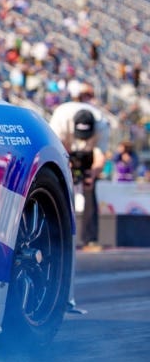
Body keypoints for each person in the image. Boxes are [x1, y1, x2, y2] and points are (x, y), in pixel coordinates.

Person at [50, 84, 111, 250]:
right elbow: (56, 149)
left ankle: (90, 239)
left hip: (89, 154)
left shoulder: (102, 125)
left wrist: (92, 173)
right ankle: (56, 236)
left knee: (90, 190)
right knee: (58, 186)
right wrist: (66, 165)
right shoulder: (61, 117)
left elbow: (100, 157)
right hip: (65, 148)